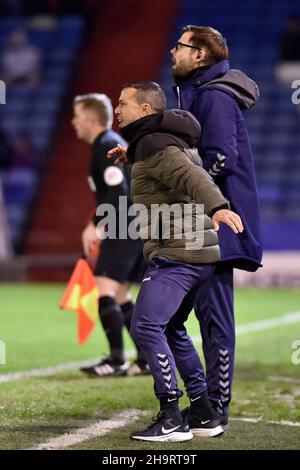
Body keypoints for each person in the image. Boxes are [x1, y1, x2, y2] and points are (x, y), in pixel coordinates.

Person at [110, 81, 243, 442]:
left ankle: (170, 416)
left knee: (146, 327)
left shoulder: (155, 145)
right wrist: (130, 155)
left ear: (145, 110)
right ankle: (202, 411)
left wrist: (218, 206)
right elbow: (171, 171)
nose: (117, 108)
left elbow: (191, 176)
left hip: (177, 251)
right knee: (170, 328)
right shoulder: (158, 142)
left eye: (123, 103)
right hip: (195, 251)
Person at [170, 26, 262, 423]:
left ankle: (214, 408)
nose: (173, 51)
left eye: (181, 46)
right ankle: (205, 402)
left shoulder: (214, 96)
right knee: (176, 315)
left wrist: (175, 183)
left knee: (213, 317)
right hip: (205, 219)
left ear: (201, 56)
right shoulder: (201, 92)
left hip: (218, 222)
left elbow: (221, 158)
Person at [71, 92, 149, 377]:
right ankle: (146, 358)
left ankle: (116, 360)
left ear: (91, 119)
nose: (73, 122)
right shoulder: (110, 144)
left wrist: (96, 225)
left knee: (104, 287)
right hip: (134, 225)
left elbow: (118, 192)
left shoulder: (106, 145)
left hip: (123, 227)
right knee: (119, 296)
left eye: (77, 116)